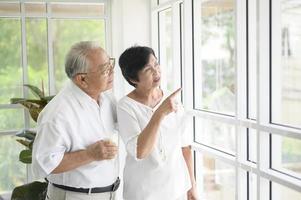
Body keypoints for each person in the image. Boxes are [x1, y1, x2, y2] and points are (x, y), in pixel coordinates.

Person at [32, 41, 119, 200]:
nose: (112, 71)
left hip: (109, 194)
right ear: (82, 80)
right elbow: (43, 164)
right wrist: (89, 154)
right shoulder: (57, 113)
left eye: (110, 64)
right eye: (105, 69)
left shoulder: (107, 98)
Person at [117, 46, 198, 200]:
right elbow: (139, 152)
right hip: (143, 192)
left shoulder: (172, 100)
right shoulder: (125, 106)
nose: (156, 71)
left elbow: (185, 147)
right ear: (134, 79)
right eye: (148, 69)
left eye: (156, 64)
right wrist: (160, 113)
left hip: (176, 189)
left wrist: (192, 185)